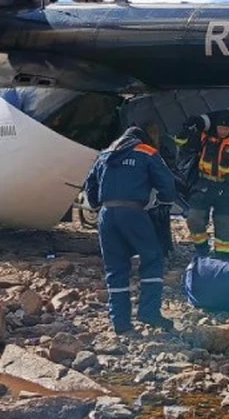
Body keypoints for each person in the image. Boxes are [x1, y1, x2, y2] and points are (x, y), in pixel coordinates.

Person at [84, 126, 178, 334]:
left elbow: (89, 186)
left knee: (115, 267)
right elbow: (167, 182)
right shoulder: (146, 152)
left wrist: (98, 206)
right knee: (152, 258)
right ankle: (149, 312)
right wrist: (164, 202)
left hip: (106, 215)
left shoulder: (105, 154)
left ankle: (121, 323)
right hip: (133, 212)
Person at [175, 108, 229, 257]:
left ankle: (222, 256)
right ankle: (202, 249)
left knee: (224, 224)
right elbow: (181, 143)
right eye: (220, 128)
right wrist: (186, 129)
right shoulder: (204, 137)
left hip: (224, 187)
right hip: (203, 183)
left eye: (226, 129)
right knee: (194, 219)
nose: (222, 131)